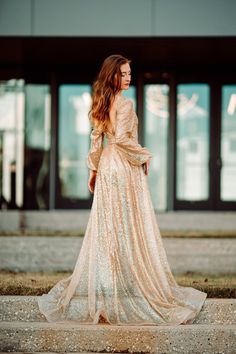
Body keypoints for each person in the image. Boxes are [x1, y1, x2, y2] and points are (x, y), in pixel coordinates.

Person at [37, 54, 207, 326]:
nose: (128, 77)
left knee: (108, 226)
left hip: (106, 166)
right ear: (113, 75)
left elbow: (96, 140)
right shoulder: (125, 104)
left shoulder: (101, 104)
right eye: (124, 73)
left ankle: (110, 286)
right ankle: (127, 285)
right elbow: (125, 140)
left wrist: (93, 171)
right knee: (127, 225)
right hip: (123, 167)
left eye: (129, 73)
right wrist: (144, 156)